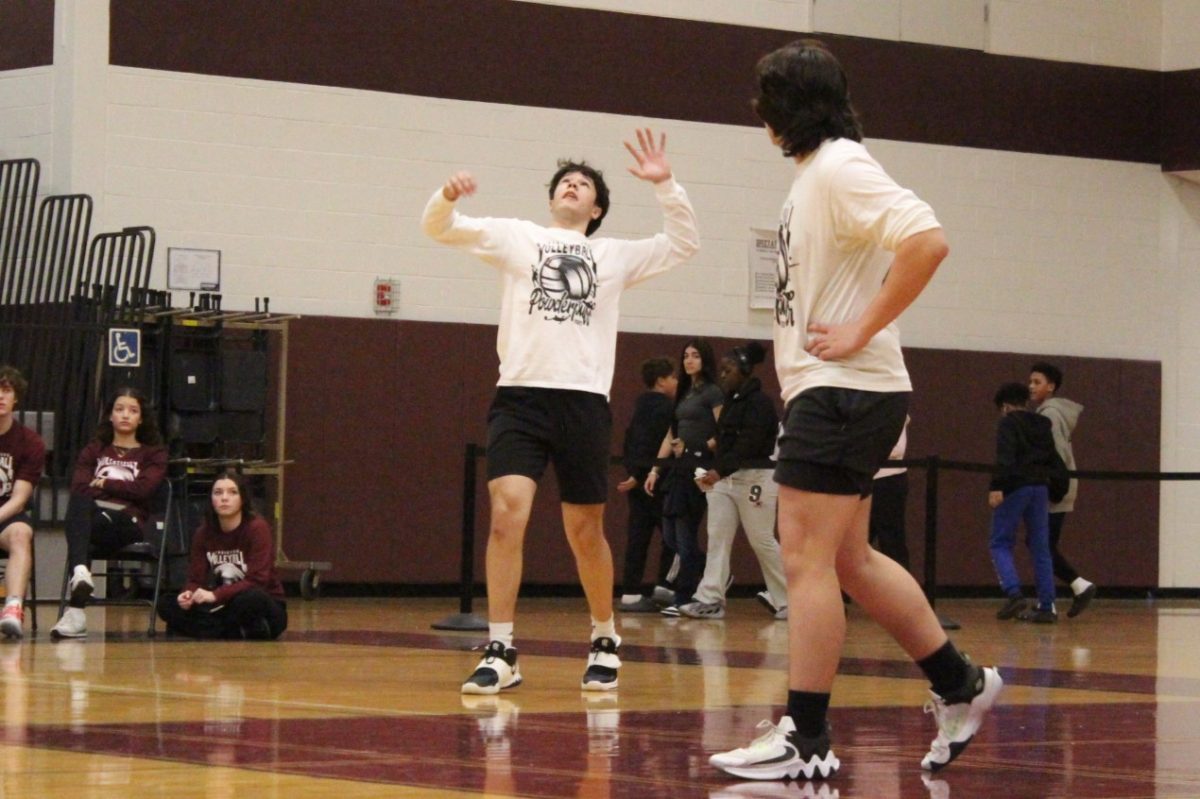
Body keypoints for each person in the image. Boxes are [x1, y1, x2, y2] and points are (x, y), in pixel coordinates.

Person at [710, 40, 1000, 782]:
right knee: (850, 559)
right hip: (845, 390)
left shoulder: (842, 164)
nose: (756, 113)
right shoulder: (816, 176)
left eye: (763, 101)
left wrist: (861, 328)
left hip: (844, 389)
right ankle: (959, 683)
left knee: (806, 558)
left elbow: (928, 242)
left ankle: (806, 736)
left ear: (788, 109)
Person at [421, 128, 700, 694]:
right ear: (553, 198)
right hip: (520, 397)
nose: (573, 187)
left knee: (583, 529)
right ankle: (501, 648)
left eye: (584, 185)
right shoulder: (517, 238)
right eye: (565, 182)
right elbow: (439, 228)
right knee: (507, 514)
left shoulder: (612, 255)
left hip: (582, 402)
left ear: (595, 208)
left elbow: (684, 242)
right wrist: (445, 196)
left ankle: (604, 637)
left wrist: (666, 183)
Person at [51, 387, 168, 640]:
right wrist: (116, 490)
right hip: (94, 515)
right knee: (81, 505)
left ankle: (77, 604)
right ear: (110, 416)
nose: (125, 415)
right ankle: (80, 581)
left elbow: (143, 490)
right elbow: (80, 486)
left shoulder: (153, 453)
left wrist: (103, 483)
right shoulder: (95, 450)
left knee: (81, 525)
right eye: (119, 409)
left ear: (141, 418)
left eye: (133, 410)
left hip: (129, 521)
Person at [683, 341, 788, 620]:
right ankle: (711, 599)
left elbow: (749, 445)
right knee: (717, 537)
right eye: (722, 370)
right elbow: (725, 442)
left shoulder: (760, 404)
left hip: (756, 478)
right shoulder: (730, 400)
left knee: (761, 539)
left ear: (744, 371)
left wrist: (719, 471)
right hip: (726, 479)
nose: (722, 375)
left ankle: (791, 599)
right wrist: (711, 471)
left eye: (728, 370)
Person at [157, 470, 287, 640]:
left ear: (242, 499)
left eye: (232, 492)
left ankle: (207, 630)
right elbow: (195, 579)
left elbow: (257, 580)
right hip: (222, 606)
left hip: (263, 604)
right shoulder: (203, 533)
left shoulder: (257, 528)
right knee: (166, 603)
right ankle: (233, 631)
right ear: (211, 499)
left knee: (251, 599)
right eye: (218, 492)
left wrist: (215, 595)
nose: (224, 498)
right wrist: (188, 594)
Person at [643, 338, 722, 616]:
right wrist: (655, 469)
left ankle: (684, 596)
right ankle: (710, 573)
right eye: (686, 356)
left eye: (696, 355)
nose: (689, 360)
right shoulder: (685, 393)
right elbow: (671, 434)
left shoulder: (713, 392)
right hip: (677, 470)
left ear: (705, 359)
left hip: (698, 469)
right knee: (671, 534)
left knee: (686, 534)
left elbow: (723, 431)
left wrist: (698, 449)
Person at [1029, 362, 1096, 618]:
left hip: (1055, 486)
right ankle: (1072, 589)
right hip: (1058, 484)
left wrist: (1052, 487)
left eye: (1037, 382)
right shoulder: (1050, 412)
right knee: (1042, 543)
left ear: (1051, 386)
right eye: (1030, 382)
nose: (1031, 387)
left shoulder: (1050, 415)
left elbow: (1054, 455)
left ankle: (1069, 592)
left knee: (1040, 544)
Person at [989, 381, 1059, 624]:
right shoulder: (1042, 423)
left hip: (1015, 486)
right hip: (1040, 487)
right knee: (1041, 547)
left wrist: (996, 486)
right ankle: (1047, 606)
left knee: (1000, 542)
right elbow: (1053, 458)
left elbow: (1005, 457)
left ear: (1006, 406)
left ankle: (1013, 592)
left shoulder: (1008, 423)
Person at [616, 357, 678, 613]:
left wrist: (632, 473)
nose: (676, 381)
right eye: (673, 377)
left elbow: (630, 440)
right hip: (658, 482)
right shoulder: (665, 409)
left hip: (639, 479)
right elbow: (649, 442)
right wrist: (643, 473)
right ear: (661, 380)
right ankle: (665, 587)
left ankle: (630, 592)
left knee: (637, 538)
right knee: (673, 537)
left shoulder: (639, 406)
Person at [0, 366, 46, 640]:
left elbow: (19, 498)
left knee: (21, 533)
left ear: (16, 397)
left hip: (5, 515)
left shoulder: (30, 442)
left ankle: (13, 608)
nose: (0, 396)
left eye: (6, 390)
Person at [868, 416, 911, 571]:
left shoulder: (893, 399)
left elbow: (896, 450)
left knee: (892, 544)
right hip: (863, 479)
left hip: (888, 480)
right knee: (852, 546)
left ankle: (902, 594)